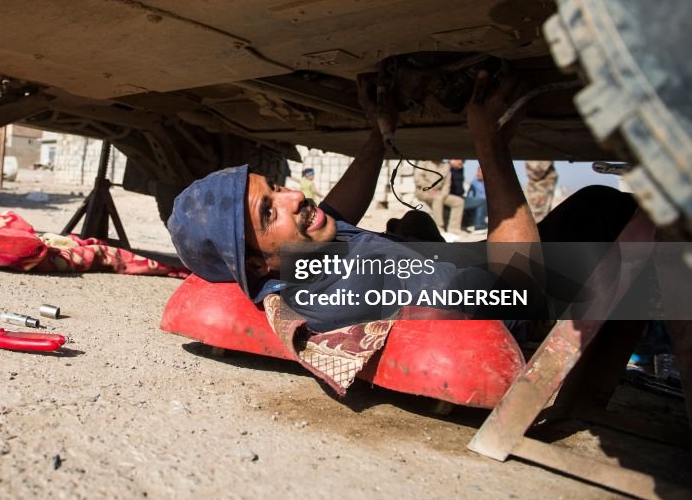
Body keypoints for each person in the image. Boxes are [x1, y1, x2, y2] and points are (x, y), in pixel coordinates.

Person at [167, 72, 640, 330]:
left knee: (412, 222)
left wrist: (378, 132)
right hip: (527, 294)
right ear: (255, 264)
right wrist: (490, 144)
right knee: (603, 204)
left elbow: (338, 211)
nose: (295, 197)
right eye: (269, 210)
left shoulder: (298, 260)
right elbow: (522, 293)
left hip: (461, 271)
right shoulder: (351, 290)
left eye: (276, 188)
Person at [413, 159, 465, 238]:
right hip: (423, 192)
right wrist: (430, 189)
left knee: (459, 201)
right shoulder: (424, 163)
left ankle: (454, 229)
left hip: (440, 193)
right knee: (438, 198)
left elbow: (447, 184)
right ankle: (439, 227)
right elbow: (418, 179)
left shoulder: (446, 166)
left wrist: (442, 194)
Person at [464, 167, 488, 232]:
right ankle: (478, 225)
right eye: (478, 172)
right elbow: (470, 196)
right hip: (478, 206)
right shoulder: (474, 183)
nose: (478, 174)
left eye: (481, 172)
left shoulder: (492, 184)